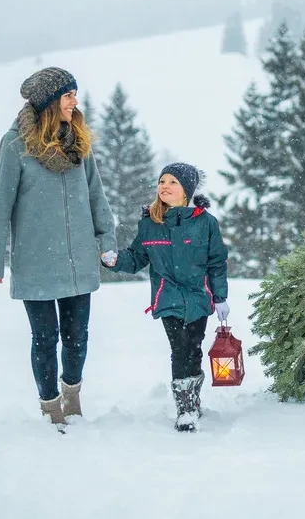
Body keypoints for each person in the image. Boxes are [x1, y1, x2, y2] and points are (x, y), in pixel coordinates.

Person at [0, 67, 116, 427]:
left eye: (75, 94)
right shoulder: (15, 145)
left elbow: (96, 196)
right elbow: (1, 205)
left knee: (77, 338)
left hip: (78, 261)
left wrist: (107, 240)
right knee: (45, 338)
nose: (75, 101)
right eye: (69, 95)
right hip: (36, 261)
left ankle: (72, 393)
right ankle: (51, 406)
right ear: (49, 102)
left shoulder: (78, 143)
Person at [102, 163, 229, 432]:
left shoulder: (205, 223)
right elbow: (137, 258)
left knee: (194, 349)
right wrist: (114, 260)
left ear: (186, 191)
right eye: (162, 181)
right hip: (167, 297)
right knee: (180, 349)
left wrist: (219, 297)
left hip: (198, 297)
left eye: (172, 182)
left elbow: (217, 261)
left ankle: (193, 402)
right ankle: (185, 410)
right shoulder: (150, 223)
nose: (164, 186)